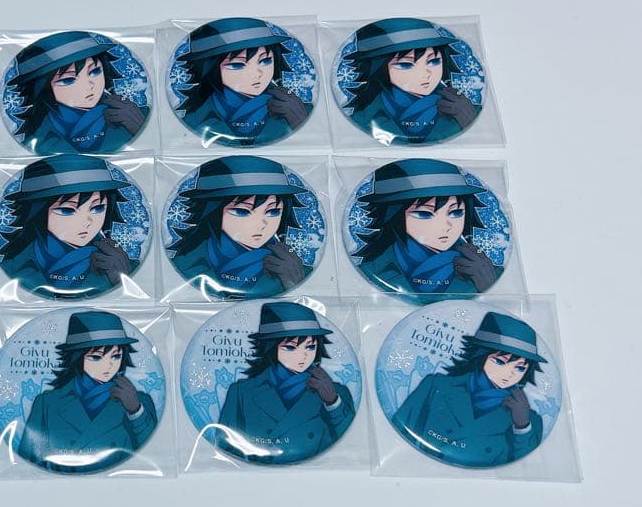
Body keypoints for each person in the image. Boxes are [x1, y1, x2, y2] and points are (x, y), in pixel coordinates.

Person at [391, 311, 545, 468]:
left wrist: (522, 427)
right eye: (500, 362)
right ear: (480, 356)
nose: (509, 374)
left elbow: (525, 467)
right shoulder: (435, 385)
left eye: (520, 368)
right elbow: (396, 431)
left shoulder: (528, 420)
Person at [17, 311, 157, 473]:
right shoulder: (47, 403)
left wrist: (136, 412)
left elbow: (154, 453)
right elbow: (27, 461)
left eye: (116, 356)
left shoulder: (139, 402)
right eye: (96, 357)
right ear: (77, 358)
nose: (109, 365)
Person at [217, 302, 355, 464]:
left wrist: (333, 402)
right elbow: (225, 442)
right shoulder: (241, 392)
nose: (303, 356)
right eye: (290, 348)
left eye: (310, 347)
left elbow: (350, 440)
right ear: (271, 348)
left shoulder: (335, 393)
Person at [352, 158, 501, 299]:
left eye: (456, 212)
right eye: (425, 214)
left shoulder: (486, 272)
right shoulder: (370, 271)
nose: (446, 226)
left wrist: (489, 287)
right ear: (394, 216)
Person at [0, 154, 138, 299]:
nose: (86, 222)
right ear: (38, 212)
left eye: (97, 208)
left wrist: (121, 280)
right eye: (67, 210)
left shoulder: (122, 266)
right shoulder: (10, 269)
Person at [169, 156, 311, 298]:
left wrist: (294, 283)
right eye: (242, 211)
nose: (261, 224)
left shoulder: (294, 270)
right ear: (212, 211)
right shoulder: (185, 265)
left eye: (273, 211)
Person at [173, 17, 310, 146]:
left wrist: (300, 122)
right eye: (237, 65)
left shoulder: (298, 111)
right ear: (209, 68)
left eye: (265, 60)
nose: (258, 73)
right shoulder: (192, 121)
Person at [340, 18, 480, 144]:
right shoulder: (362, 117)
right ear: (379, 68)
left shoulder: (465, 110)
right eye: (406, 65)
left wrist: (468, 119)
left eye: (434, 61)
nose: (426, 74)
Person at [5, 31, 147, 154]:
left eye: (94, 71)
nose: (89, 85)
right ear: (42, 88)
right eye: (68, 80)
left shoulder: (134, 117)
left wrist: (139, 127)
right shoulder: (36, 139)